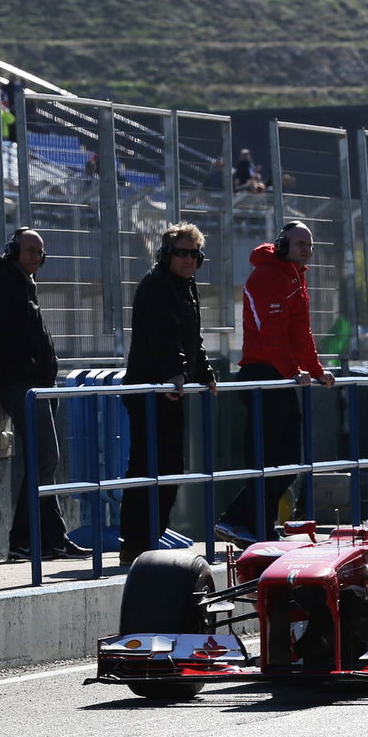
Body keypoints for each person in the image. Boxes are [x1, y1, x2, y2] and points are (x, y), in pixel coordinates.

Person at [214, 221, 336, 547]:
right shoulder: (269, 275)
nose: (306, 250)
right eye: (300, 244)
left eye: (309, 244)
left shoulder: (295, 275)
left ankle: (258, 527)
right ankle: (236, 520)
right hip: (263, 375)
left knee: (287, 461)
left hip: (280, 376)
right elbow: (272, 334)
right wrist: (293, 371)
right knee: (270, 460)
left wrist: (316, 369)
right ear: (283, 245)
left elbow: (300, 332)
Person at [0, 227, 89, 561]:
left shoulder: (22, 283)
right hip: (19, 383)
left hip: (34, 383)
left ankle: (50, 537)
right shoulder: (5, 283)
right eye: (30, 251)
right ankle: (23, 538)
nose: (37, 257)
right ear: (14, 252)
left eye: (40, 252)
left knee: (44, 461)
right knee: (45, 458)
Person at [120, 223, 217, 566]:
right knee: (147, 467)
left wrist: (203, 372)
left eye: (195, 254)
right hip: (150, 390)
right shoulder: (158, 285)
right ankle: (135, 545)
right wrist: (174, 373)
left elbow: (194, 339)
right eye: (182, 252)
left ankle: (149, 541)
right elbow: (164, 335)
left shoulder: (187, 288)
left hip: (170, 391)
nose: (189, 259)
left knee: (171, 468)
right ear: (166, 255)